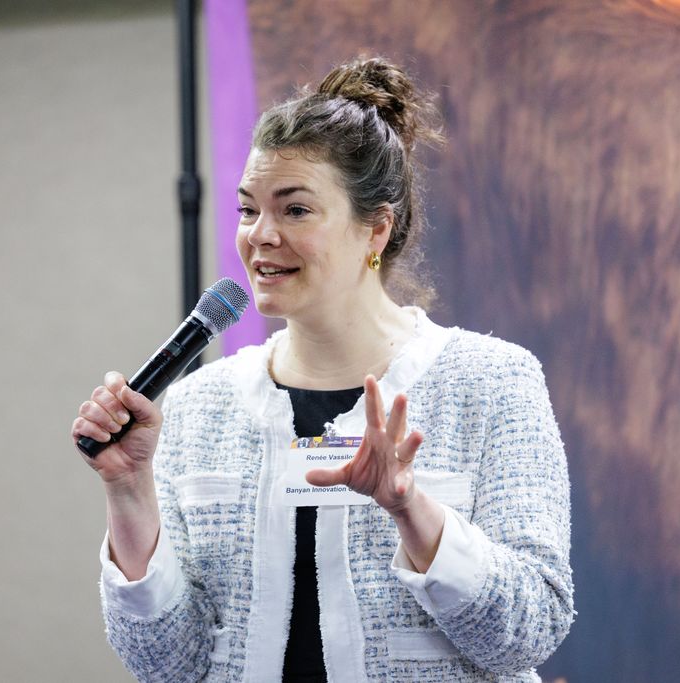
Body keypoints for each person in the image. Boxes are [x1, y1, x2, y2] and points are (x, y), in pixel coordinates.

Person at [72, 56, 574, 682]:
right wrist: (128, 488)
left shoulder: (491, 383)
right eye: (248, 210)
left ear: (376, 229)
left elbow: (530, 633)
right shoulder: (201, 405)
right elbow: (168, 664)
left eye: (295, 210)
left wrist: (411, 509)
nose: (260, 235)